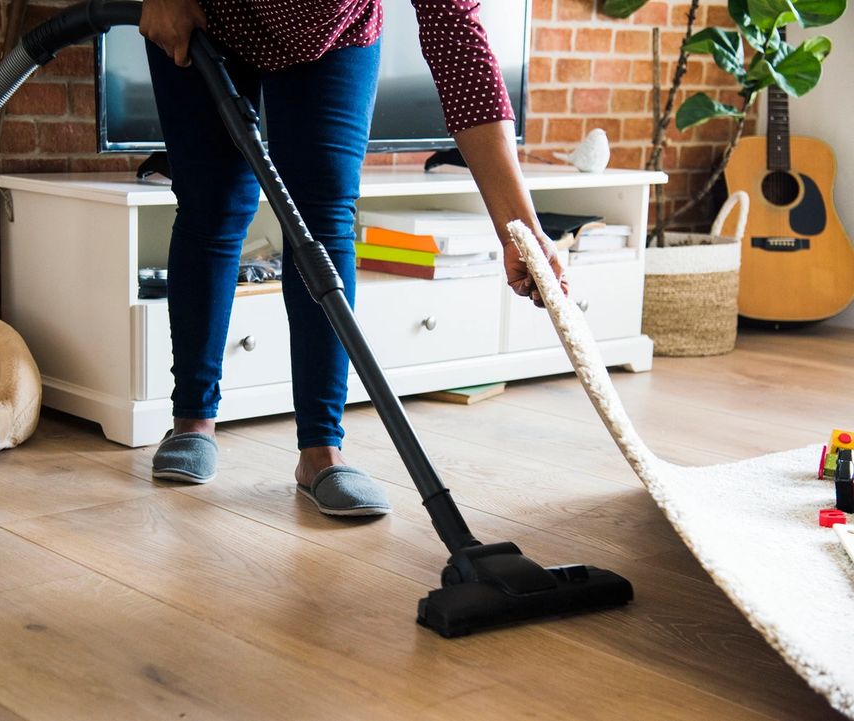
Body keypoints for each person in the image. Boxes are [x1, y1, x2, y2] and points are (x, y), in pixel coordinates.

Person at [142, 0, 567, 517]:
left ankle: (321, 450)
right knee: (213, 205)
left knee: (321, 219)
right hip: (209, 13)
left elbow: (461, 54)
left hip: (332, 33)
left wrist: (518, 230)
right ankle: (192, 420)